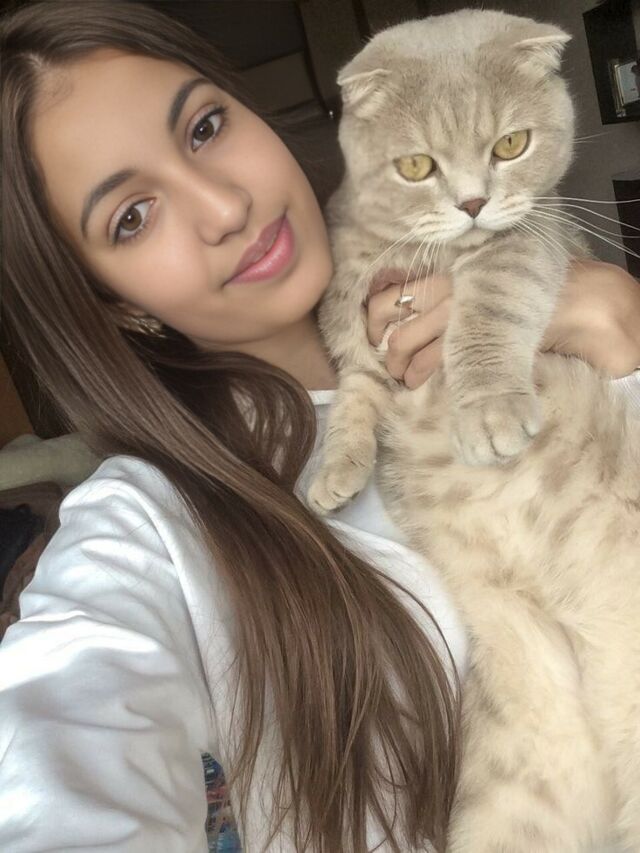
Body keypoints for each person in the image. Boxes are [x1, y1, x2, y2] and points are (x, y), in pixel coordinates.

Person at [0, 2, 639, 852]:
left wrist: (626, 346)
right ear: (117, 304)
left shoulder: (533, 283)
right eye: (131, 216)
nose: (224, 205)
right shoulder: (149, 526)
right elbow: (61, 748)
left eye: (204, 128)